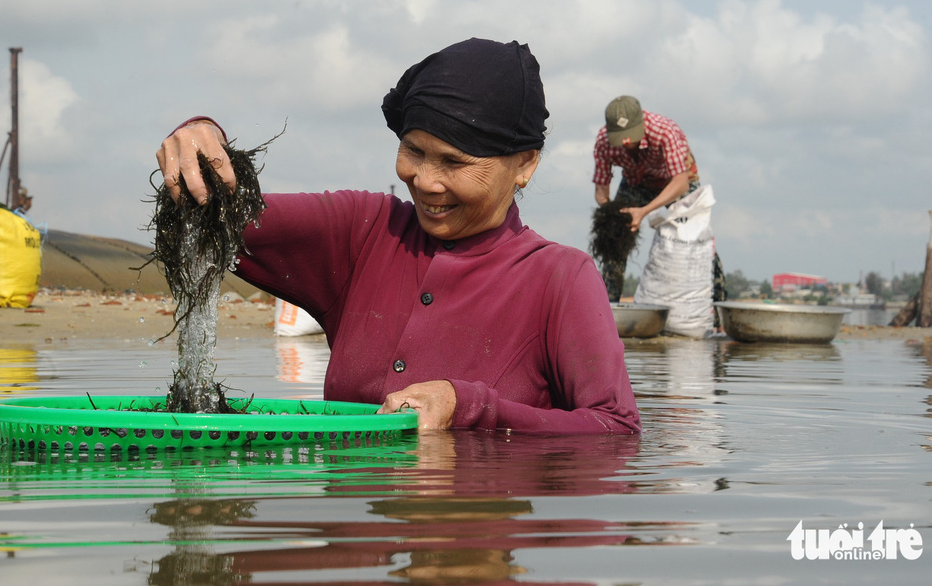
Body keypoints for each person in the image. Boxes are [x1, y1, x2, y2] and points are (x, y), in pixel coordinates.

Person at [157, 38, 639, 435]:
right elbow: (210, 212)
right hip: (357, 538)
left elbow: (615, 430)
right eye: (413, 151)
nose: (426, 180)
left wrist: (469, 405)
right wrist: (199, 138)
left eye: (454, 162)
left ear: (525, 165)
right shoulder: (364, 232)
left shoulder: (560, 278)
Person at [591, 95, 726, 304]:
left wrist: (643, 211)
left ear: (641, 123)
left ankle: (718, 304)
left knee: (697, 239)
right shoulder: (603, 142)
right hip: (635, 181)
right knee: (613, 236)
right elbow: (601, 191)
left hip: (673, 182)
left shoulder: (665, 131)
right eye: (621, 138)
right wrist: (612, 214)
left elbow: (680, 182)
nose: (626, 143)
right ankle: (609, 304)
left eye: (630, 136)